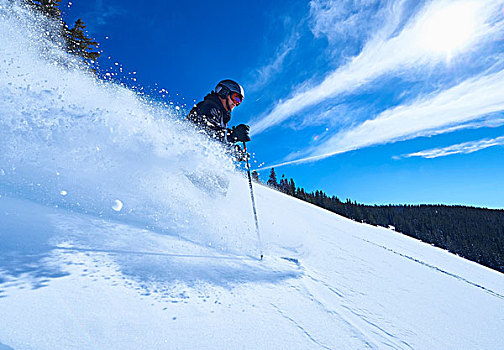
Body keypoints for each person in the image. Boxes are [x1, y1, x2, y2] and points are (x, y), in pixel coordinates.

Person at [186, 79, 250, 161]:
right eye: (235, 98)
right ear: (224, 92)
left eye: (239, 101)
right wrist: (234, 136)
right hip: (188, 153)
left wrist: (235, 144)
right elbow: (209, 133)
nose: (236, 103)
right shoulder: (209, 107)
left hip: (196, 157)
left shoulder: (221, 116)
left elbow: (218, 141)